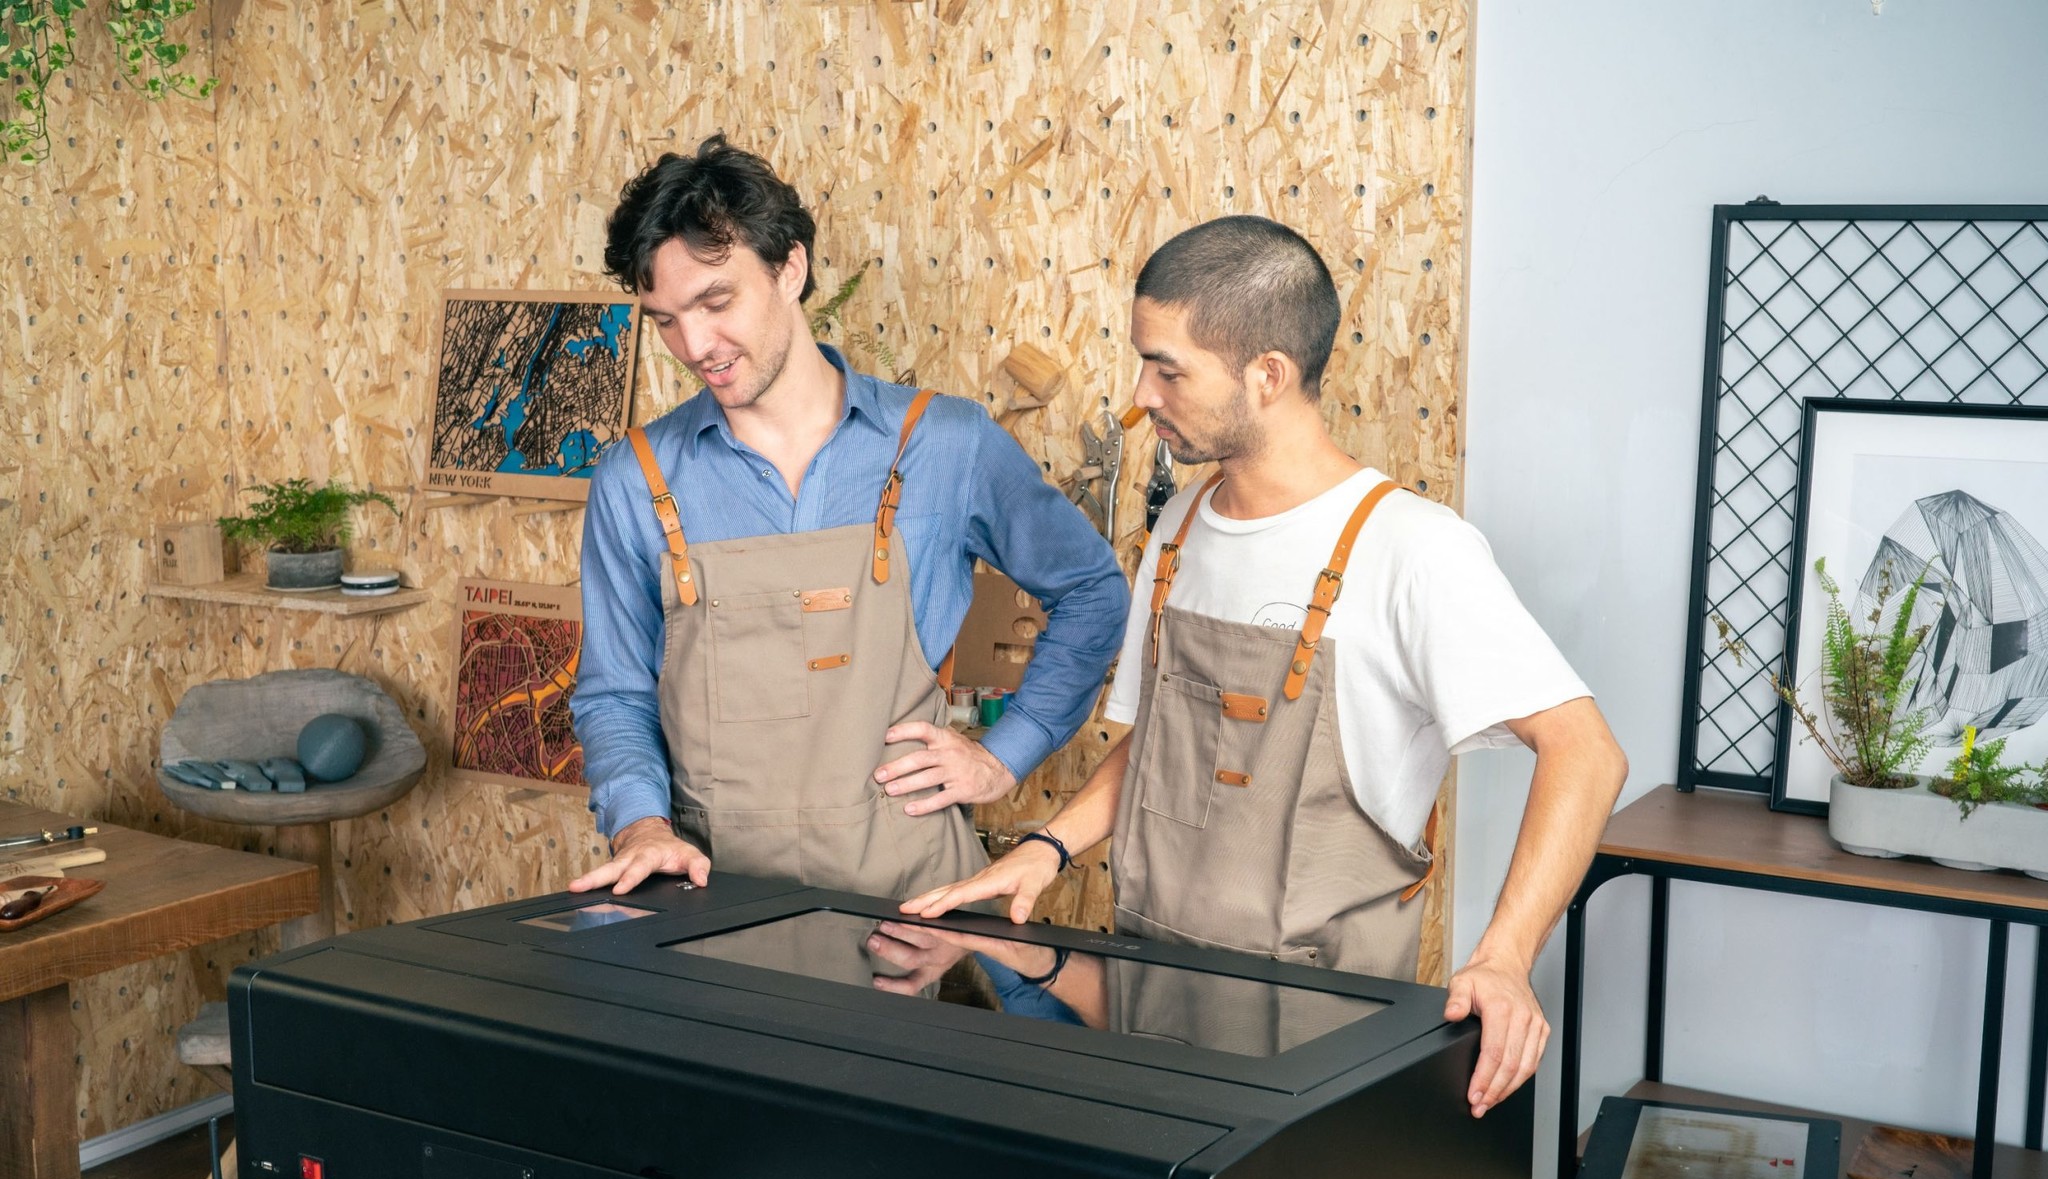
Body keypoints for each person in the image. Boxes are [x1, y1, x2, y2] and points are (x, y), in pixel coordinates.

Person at [899, 216, 1628, 1118]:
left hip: (1324, 1056)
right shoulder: (1180, 529)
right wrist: (1047, 852)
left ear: (1267, 376)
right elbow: (1160, 745)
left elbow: (1586, 754)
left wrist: (1503, 959)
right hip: (1146, 1013)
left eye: (1168, 369)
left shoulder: (1411, 550)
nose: (1140, 395)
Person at [568, 135, 1128, 909]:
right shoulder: (638, 478)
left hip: (913, 905)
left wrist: (1006, 755)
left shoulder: (945, 445)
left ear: (789, 268)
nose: (693, 346)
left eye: (716, 302)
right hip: (712, 904)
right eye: (665, 320)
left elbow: (1094, 589)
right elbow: (613, 693)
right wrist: (639, 826)